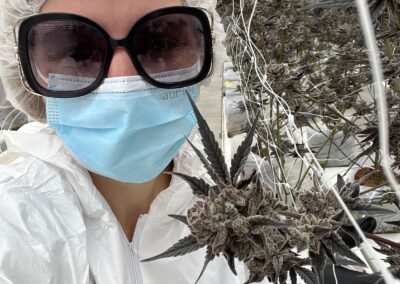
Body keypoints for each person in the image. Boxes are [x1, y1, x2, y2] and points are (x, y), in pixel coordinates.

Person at [0, 0, 246, 283]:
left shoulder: (242, 219)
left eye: (161, 43)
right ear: (25, 72)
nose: (124, 80)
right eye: (78, 52)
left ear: (206, 50)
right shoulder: (12, 224)